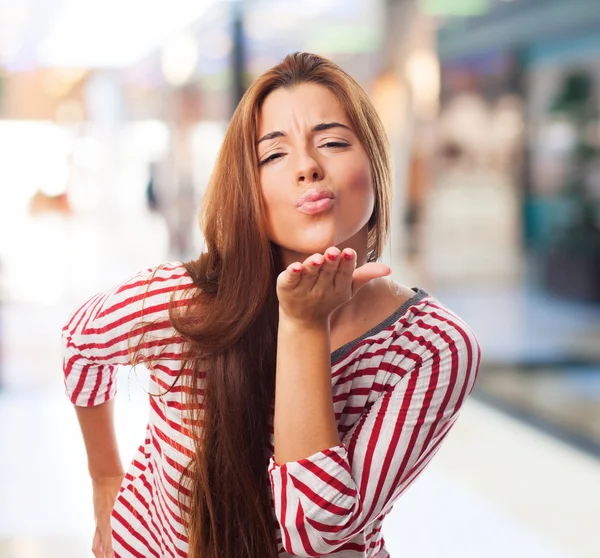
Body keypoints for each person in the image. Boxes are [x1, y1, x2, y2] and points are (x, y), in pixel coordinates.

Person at [61, 52, 480, 558]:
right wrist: (105, 476)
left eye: (332, 142)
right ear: (247, 187)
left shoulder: (431, 346)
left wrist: (305, 325)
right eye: (273, 155)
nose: (307, 167)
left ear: (373, 163)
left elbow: (315, 533)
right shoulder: (184, 302)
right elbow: (79, 345)